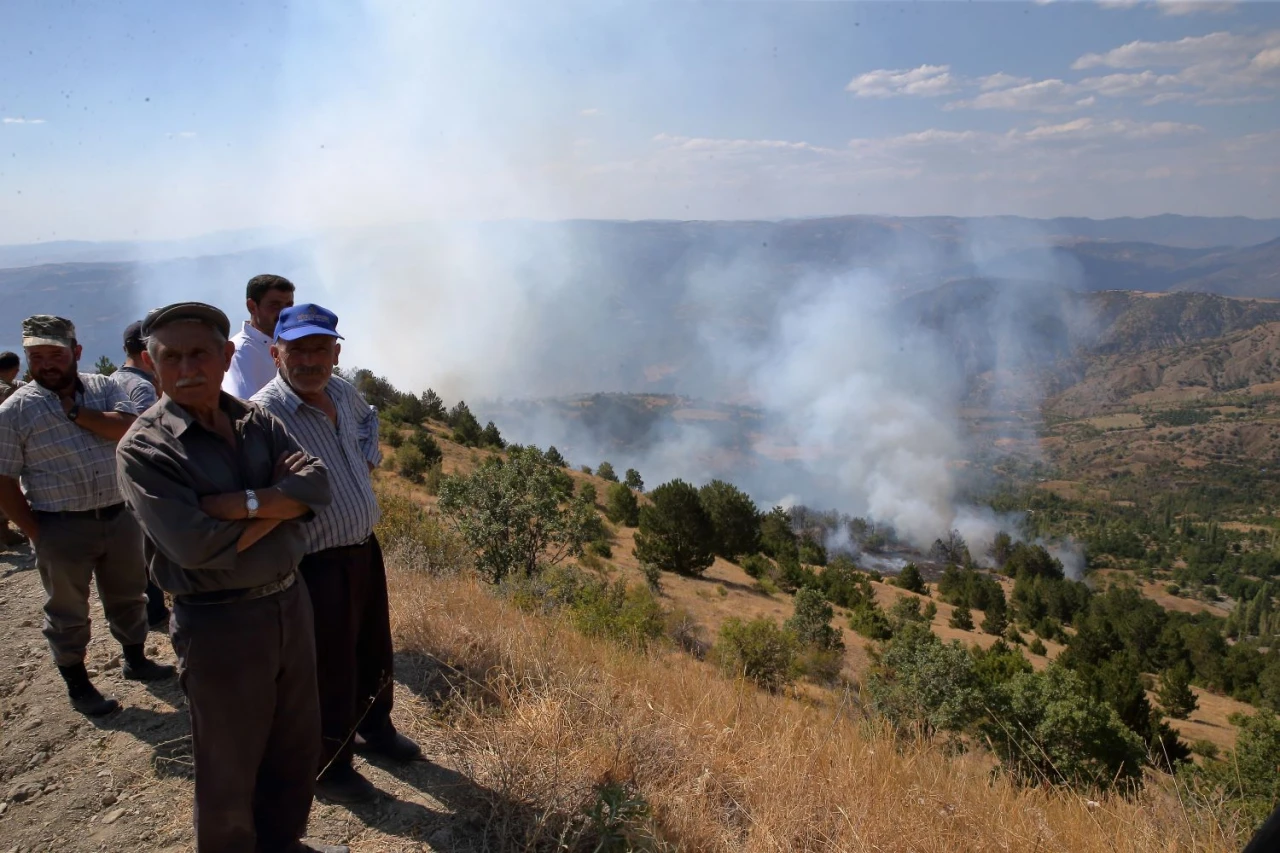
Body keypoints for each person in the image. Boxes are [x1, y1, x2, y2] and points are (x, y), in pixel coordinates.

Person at [115, 302, 345, 853]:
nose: (187, 367)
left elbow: (317, 485)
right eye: (171, 357)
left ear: (225, 356)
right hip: (219, 622)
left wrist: (237, 504)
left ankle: (283, 842)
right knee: (229, 763)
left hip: (291, 601)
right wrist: (278, 506)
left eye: (200, 353)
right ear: (152, 364)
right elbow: (195, 546)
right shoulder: (145, 449)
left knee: (295, 743)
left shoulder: (254, 420)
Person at [252, 304, 421, 805]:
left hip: (364, 550)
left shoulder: (342, 391)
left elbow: (370, 423)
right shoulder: (264, 414)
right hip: (313, 563)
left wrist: (366, 458)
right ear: (275, 352)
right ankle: (330, 763)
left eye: (319, 348)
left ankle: (377, 729)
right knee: (328, 667)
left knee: (373, 647)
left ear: (336, 352)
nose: (309, 360)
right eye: (297, 349)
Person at [0, 316, 174, 717]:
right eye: (37, 356)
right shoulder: (15, 412)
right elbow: (4, 480)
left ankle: (136, 658)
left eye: (55, 355)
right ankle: (78, 683)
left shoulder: (105, 387)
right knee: (67, 610)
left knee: (129, 593)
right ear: (27, 359)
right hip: (59, 522)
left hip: (119, 514)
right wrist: (34, 531)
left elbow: (131, 428)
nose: (46, 364)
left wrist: (76, 412)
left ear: (75, 353)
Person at [112, 321, 170, 630]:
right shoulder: (142, 386)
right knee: (149, 547)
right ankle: (156, 612)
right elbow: (154, 434)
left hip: (118, 479)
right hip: (145, 479)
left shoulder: (111, 380)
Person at [223, 274, 295, 399]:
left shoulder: (289, 345)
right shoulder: (240, 352)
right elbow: (243, 408)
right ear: (252, 307)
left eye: (288, 306)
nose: (284, 313)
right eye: (275, 305)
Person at [0, 351, 27, 546]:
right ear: (16, 370)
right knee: (9, 485)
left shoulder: (10, 387)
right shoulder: (7, 392)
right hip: (6, 444)